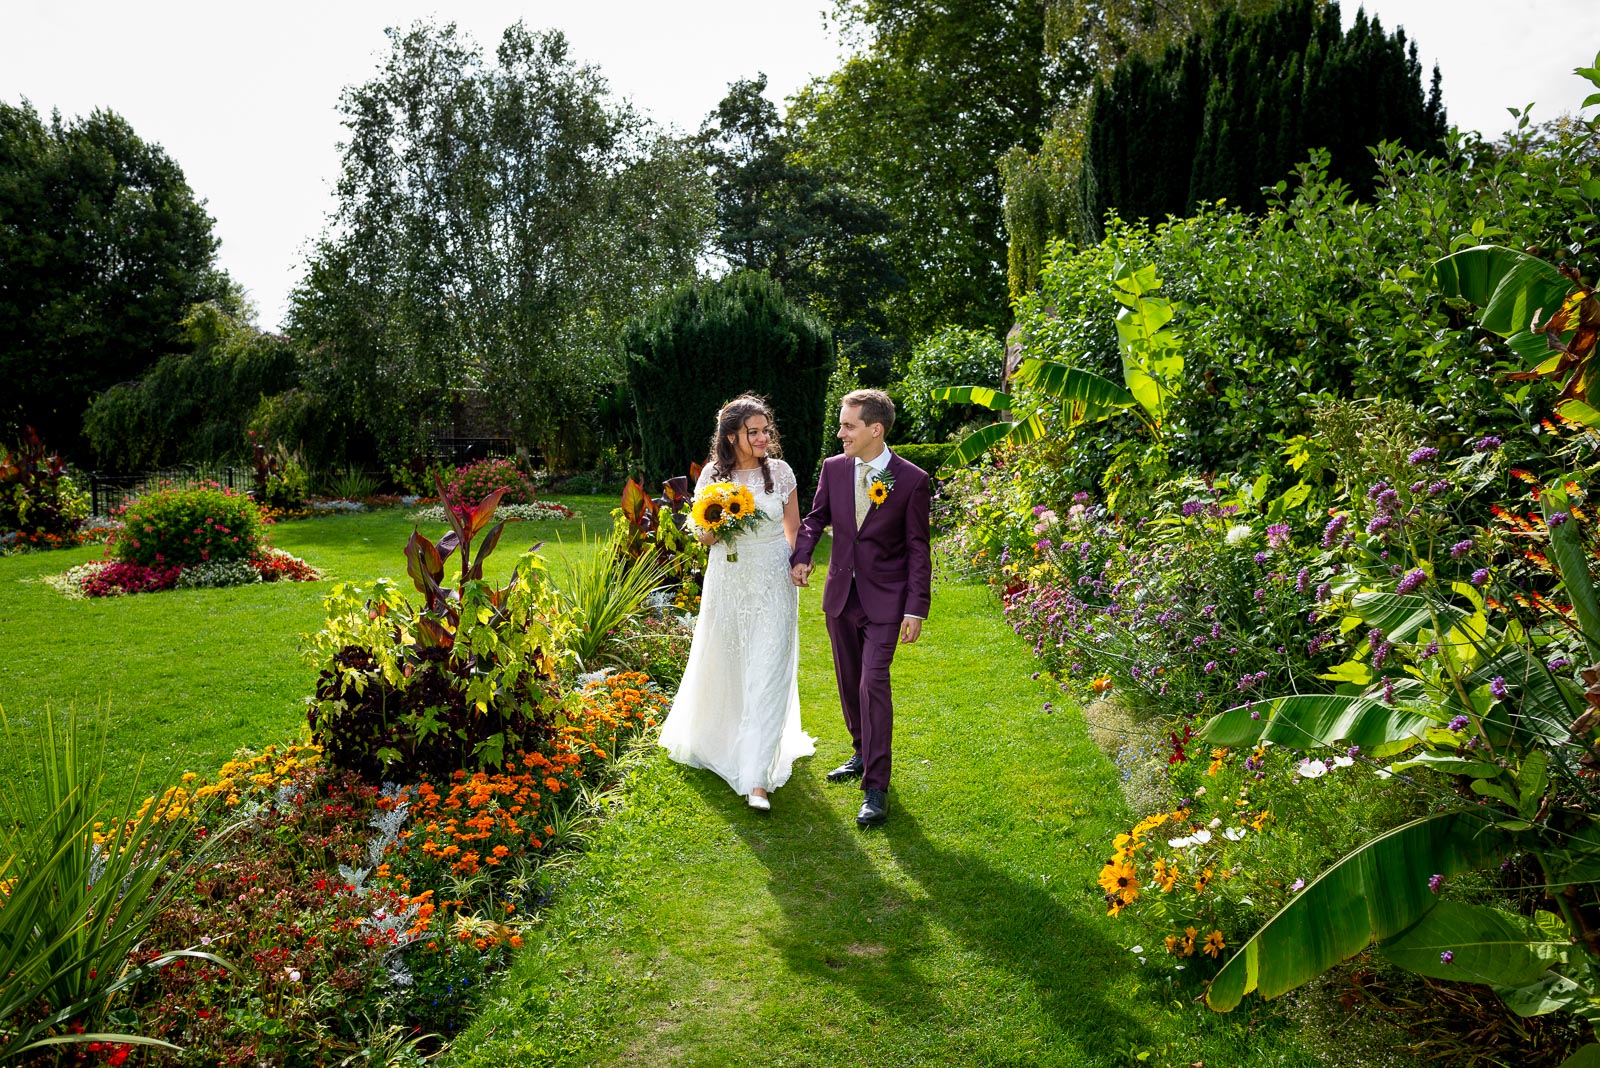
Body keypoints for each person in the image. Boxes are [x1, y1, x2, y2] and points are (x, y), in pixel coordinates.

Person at [659, 395, 815, 810]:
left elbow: (793, 527)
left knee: (768, 666)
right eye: (754, 432)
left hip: (772, 580)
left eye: (767, 430)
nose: (764, 437)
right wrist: (716, 519)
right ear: (732, 436)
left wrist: (800, 563)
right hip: (728, 579)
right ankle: (723, 739)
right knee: (727, 661)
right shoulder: (714, 473)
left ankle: (756, 778)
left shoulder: (780, 472)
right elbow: (701, 534)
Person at [789, 389, 931, 828]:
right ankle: (859, 751)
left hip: (886, 601)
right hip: (840, 597)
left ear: (875, 429)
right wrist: (803, 553)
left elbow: (917, 548)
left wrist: (916, 608)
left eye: (848, 426)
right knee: (849, 682)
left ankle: (876, 785)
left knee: (873, 682)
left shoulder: (909, 479)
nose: (840, 433)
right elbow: (816, 517)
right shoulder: (834, 468)